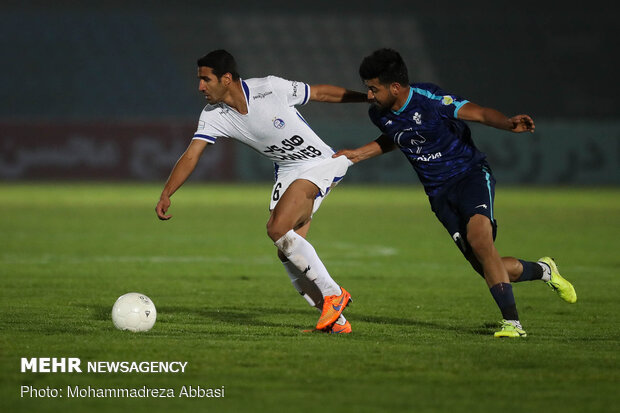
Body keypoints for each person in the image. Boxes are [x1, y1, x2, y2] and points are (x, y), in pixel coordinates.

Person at [334, 48, 577, 338]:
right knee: (487, 266)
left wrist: (507, 123)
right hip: (439, 194)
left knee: (480, 239)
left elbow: (479, 113)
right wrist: (357, 155)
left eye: (374, 89)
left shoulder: (431, 100)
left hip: (469, 175)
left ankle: (513, 325)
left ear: (395, 87)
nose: (370, 96)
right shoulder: (380, 114)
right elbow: (398, 138)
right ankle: (544, 270)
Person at [156, 49, 367, 333]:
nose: (200, 87)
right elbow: (192, 155)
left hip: (320, 162)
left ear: (226, 78)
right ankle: (336, 322)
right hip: (288, 169)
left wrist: (366, 97)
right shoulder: (213, 115)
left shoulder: (269, 88)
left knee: (276, 228)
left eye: (205, 79)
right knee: (287, 252)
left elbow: (320, 93)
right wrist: (167, 192)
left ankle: (334, 294)